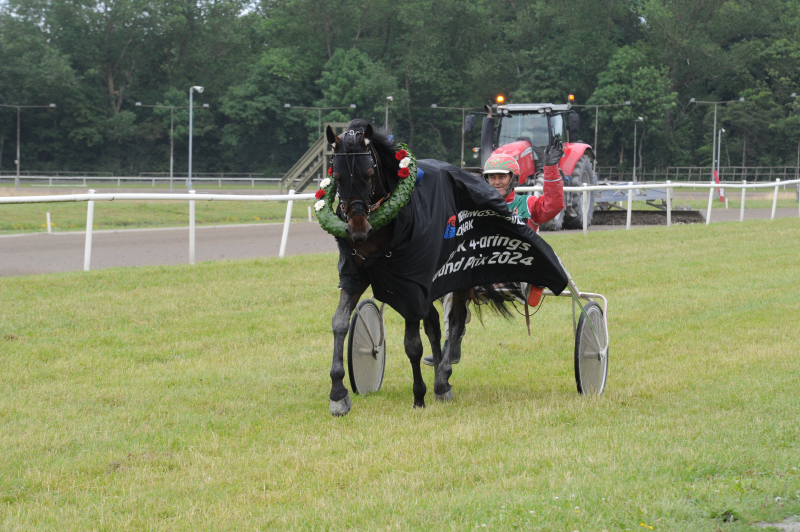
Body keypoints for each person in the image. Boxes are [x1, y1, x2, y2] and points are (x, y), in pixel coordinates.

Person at [422, 137, 565, 367]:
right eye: (491, 177)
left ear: (513, 179)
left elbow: (553, 205)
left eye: (501, 176)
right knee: (449, 282)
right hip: (481, 272)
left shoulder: (526, 204)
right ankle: (452, 344)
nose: (496, 182)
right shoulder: (476, 206)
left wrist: (550, 169)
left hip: (519, 273)